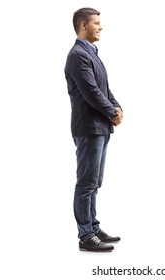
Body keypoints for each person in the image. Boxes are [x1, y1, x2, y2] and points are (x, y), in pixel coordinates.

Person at [64, 7, 123, 252]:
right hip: (89, 127)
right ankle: (85, 235)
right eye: (96, 23)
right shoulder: (78, 54)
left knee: (94, 182)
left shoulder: (92, 53)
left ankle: (93, 226)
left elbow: (104, 88)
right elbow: (90, 92)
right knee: (86, 182)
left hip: (100, 127)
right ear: (83, 25)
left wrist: (117, 107)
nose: (101, 27)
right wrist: (111, 112)